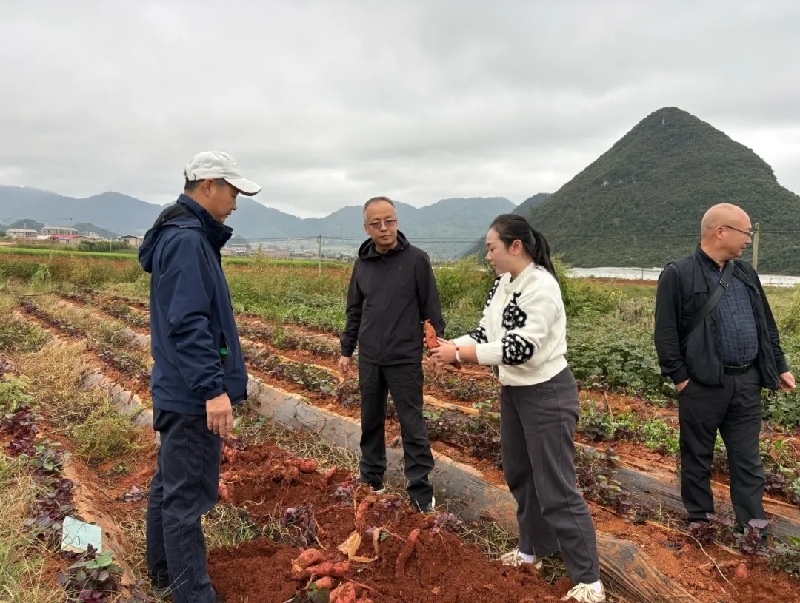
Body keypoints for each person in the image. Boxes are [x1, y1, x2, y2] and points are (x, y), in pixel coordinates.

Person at [431, 214, 605, 603]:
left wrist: (459, 354)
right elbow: (487, 333)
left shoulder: (540, 287)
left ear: (516, 246)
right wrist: (448, 347)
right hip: (514, 391)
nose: (487, 254)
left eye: (491, 247)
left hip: (546, 392)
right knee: (521, 475)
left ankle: (590, 581)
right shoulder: (503, 284)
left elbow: (520, 348)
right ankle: (533, 551)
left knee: (556, 486)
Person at [139, 151, 261, 603]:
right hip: (192, 394)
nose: (235, 202)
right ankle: (192, 593)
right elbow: (188, 323)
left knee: (170, 485)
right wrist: (213, 390)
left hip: (177, 387)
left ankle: (164, 574)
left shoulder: (181, 235)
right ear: (208, 185)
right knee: (188, 498)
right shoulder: (188, 240)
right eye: (232, 191)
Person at [654, 202, 795, 536]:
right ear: (721, 232)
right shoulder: (678, 273)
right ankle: (700, 520)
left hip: (746, 381)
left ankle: (754, 527)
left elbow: (766, 324)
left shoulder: (745, 273)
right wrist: (681, 379)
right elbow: (666, 333)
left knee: (748, 459)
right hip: (701, 386)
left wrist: (779, 365)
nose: (748, 239)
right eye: (744, 232)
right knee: (697, 455)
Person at [338, 196, 444, 513]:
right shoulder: (363, 264)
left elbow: (432, 312)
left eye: (390, 221)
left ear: (397, 221)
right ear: (366, 227)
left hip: (405, 358)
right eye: (377, 223)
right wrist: (347, 351)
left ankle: (421, 490)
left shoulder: (416, 260)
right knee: (370, 420)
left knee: (412, 424)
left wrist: (435, 350)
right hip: (370, 357)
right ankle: (371, 478)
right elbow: (354, 311)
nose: (384, 228)